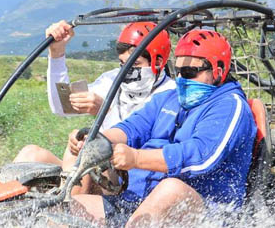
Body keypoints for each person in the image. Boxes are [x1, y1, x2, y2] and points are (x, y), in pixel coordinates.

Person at [69, 28, 257, 228]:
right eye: (178, 72)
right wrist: (96, 140)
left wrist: (136, 158)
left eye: (189, 73)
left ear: (218, 71)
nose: (181, 80)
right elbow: (133, 127)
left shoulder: (230, 106)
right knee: (71, 209)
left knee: (171, 189)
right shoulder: (170, 98)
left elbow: (200, 156)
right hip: (138, 203)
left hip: (205, 214)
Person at [13, 20, 175, 171]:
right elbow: (62, 108)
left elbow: (144, 146)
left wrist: (104, 111)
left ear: (158, 62)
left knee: (82, 155)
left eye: (135, 64)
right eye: (123, 64)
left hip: (126, 176)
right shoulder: (112, 79)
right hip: (93, 167)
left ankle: (68, 195)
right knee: (31, 154)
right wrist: (56, 53)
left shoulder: (170, 95)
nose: (126, 71)